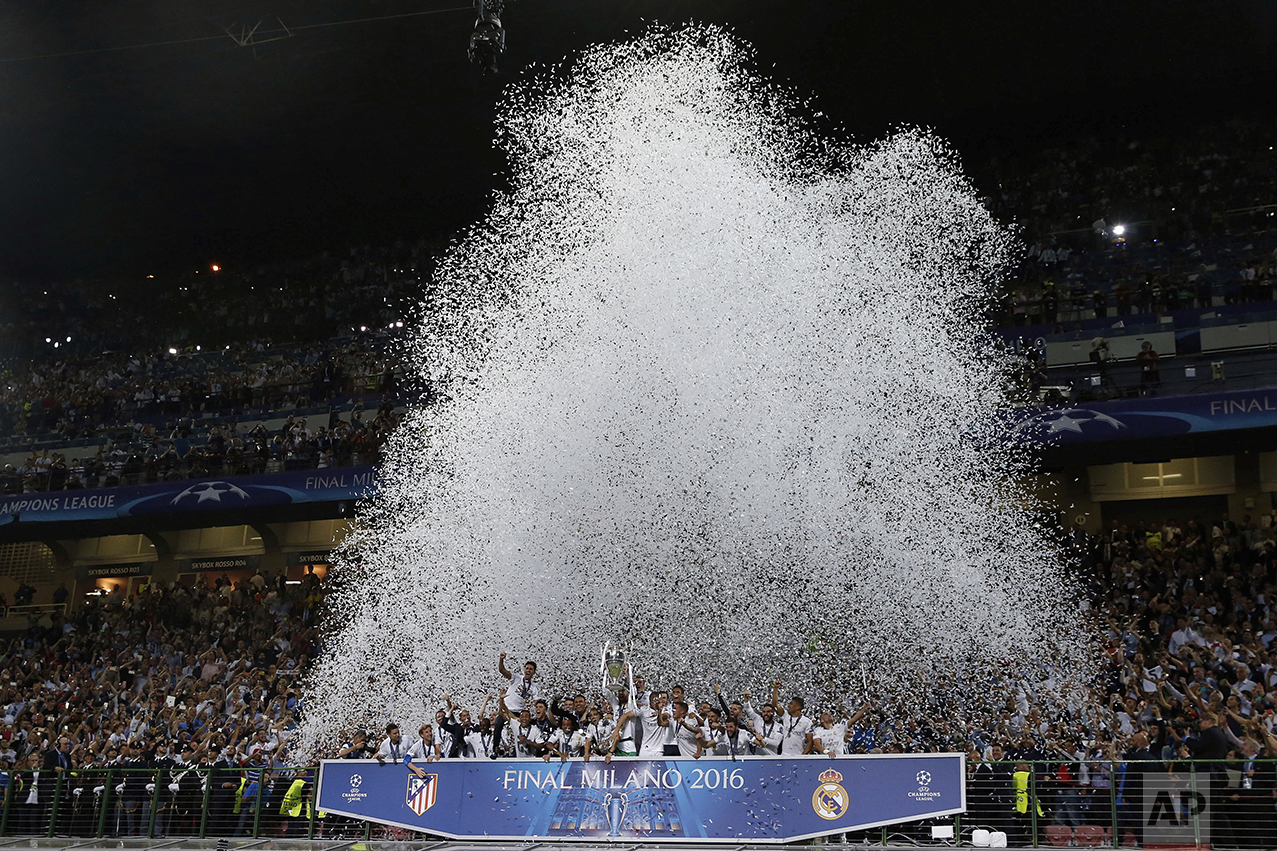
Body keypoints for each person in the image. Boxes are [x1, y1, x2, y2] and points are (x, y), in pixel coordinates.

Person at [468, 0, 512, 75]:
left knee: (486, 52)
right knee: (489, 52)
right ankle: (489, 66)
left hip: (486, 29)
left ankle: (488, 66)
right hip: (489, 29)